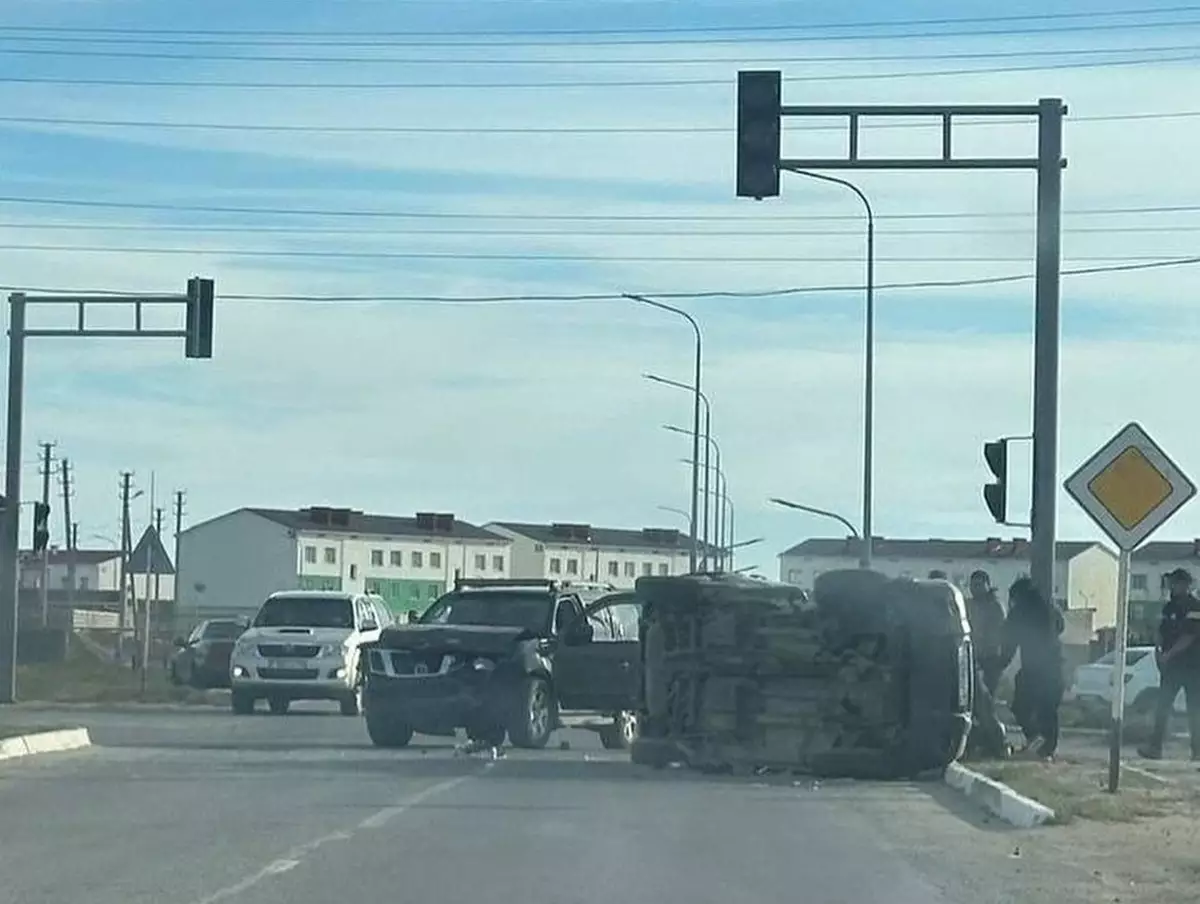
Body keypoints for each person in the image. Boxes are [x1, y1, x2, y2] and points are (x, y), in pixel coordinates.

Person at [1138, 568, 1200, 761]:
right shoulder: (1169, 607)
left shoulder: (1194, 606)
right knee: (1162, 706)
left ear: (1185, 585)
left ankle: (1197, 751)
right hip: (1171, 667)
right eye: (1171, 582)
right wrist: (1158, 651)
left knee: (1194, 710)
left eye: (1176, 582)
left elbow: (1190, 636)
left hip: (1192, 666)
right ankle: (1155, 748)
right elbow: (1161, 631)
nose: (1172, 586)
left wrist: (1169, 654)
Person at [1001, 576, 1065, 760]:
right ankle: (1046, 750)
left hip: (1033, 670)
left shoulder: (1019, 613)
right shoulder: (1050, 608)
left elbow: (1009, 644)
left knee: (1021, 707)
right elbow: (1061, 627)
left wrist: (999, 664)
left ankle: (1037, 742)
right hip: (1055, 667)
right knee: (1049, 711)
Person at [963, 570, 1010, 759]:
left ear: (988, 585)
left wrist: (996, 658)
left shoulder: (995, 607)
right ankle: (978, 743)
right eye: (973, 585)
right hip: (970, 658)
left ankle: (996, 743)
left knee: (985, 703)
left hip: (990, 660)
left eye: (980, 585)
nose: (976, 589)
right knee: (972, 703)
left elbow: (998, 635)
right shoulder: (969, 605)